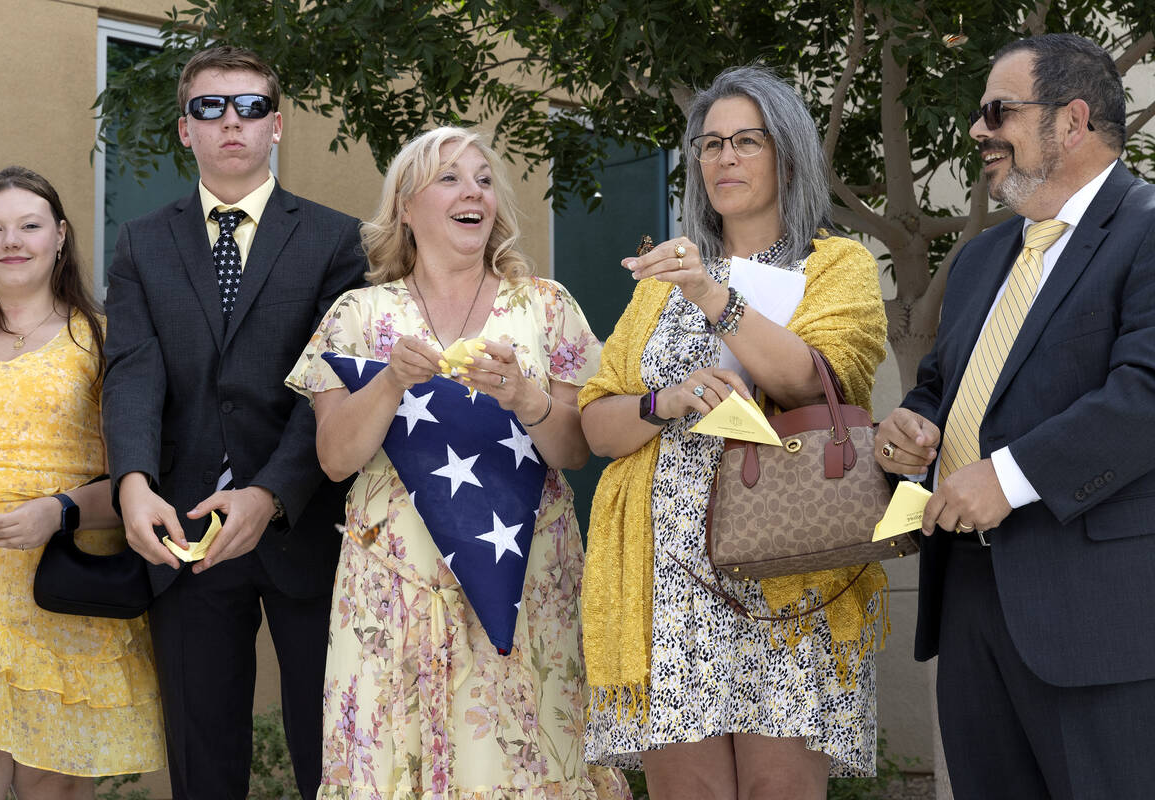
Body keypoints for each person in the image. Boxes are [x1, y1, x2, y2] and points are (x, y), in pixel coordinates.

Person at [285, 126, 631, 799]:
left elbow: (576, 450)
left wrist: (525, 397)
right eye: (449, 177)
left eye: (482, 178)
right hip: (394, 595)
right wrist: (388, 384)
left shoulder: (546, 306)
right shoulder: (357, 315)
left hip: (527, 592)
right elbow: (333, 459)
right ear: (406, 208)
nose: (473, 189)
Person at [578, 65, 889, 799]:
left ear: (787, 153)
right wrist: (668, 400)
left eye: (746, 141)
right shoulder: (665, 278)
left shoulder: (833, 265)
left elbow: (814, 380)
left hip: (788, 573)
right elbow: (597, 420)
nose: (724, 159)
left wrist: (714, 296)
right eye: (710, 144)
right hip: (667, 583)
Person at [875, 33, 1155, 799]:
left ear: (1072, 121)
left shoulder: (1147, 227)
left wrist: (1010, 476)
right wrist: (908, 430)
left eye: (999, 110)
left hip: (1097, 619)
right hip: (969, 602)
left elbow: (1148, 392)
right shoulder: (978, 260)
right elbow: (937, 387)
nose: (977, 131)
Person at [101, 46, 366, 799]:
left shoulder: (335, 240)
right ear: (184, 128)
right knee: (203, 762)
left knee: (330, 758)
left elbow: (330, 383)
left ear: (275, 125)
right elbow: (132, 374)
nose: (231, 123)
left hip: (305, 526)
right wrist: (132, 483)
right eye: (209, 107)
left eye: (250, 107)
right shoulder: (141, 243)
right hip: (182, 530)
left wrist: (271, 494)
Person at [0, 166, 164, 800]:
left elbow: (142, 471)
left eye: (28, 225)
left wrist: (59, 511)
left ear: (61, 236)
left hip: (64, 586)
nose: (10, 241)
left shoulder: (103, 341)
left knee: (56, 781)